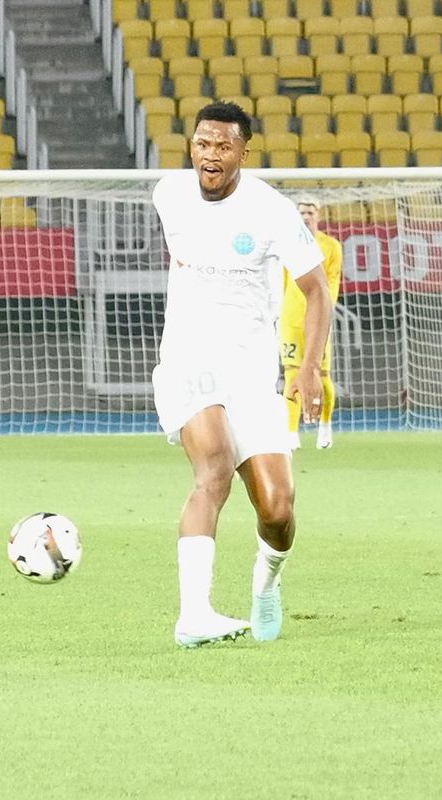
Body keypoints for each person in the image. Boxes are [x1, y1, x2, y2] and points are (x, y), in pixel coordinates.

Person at [150, 101, 334, 647]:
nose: (210, 155)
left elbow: (317, 291)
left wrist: (307, 369)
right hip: (188, 360)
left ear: (242, 153)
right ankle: (194, 615)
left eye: (223, 146)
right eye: (202, 143)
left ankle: (266, 583)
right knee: (213, 470)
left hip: (252, 373)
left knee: (277, 509)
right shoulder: (169, 194)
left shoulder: (271, 211)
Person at [280, 196, 343, 450]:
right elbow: (282, 279)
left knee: (322, 376)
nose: (306, 217)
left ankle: (325, 426)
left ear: (318, 215)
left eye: (310, 212)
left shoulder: (331, 246)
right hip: (290, 318)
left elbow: (332, 282)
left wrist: (326, 310)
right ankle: (290, 433)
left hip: (316, 321)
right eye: (302, 213)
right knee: (291, 374)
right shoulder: (287, 242)